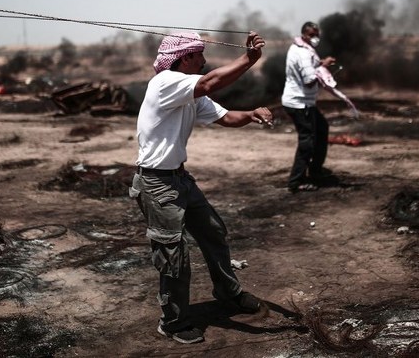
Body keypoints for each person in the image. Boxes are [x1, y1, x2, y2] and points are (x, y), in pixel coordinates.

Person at [130, 30, 273, 344]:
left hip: (179, 178)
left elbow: (224, 117)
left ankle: (228, 292)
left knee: (212, 231)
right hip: (156, 182)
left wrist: (250, 115)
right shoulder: (165, 83)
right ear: (184, 58)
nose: (204, 60)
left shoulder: (190, 93)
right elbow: (211, 81)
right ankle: (173, 323)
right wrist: (249, 58)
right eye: (199, 55)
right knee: (174, 255)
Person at [281, 22, 338, 193]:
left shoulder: (299, 47)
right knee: (307, 141)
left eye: (317, 34)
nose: (316, 38)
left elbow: (307, 68)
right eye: (313, 34)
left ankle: (316, 171)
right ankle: (296, 181)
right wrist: (324, 67)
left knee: (321, 129)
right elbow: (309, 79)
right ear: (304, 34)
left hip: (304, 102)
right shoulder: (304, 53)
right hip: (300, 103)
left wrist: (320, 63)